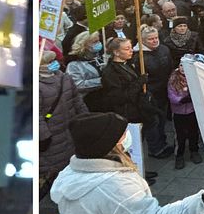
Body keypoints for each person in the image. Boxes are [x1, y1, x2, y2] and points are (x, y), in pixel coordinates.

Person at [50, 112, 204, 214]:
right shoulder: (113, 186)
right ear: (112, 144)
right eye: (121, 133)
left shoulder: (74, 171)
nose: (127, 136)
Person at [40, 50, 88, 192]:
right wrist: (44, 136)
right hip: (52, 134)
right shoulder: (37, 85)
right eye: (49, 62)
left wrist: (85, 118)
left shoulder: (64, 78)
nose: (54, 64)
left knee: (70, 162)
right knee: (55, 165)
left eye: (54, 60)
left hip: (70, 128)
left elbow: (77, 100)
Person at [137, 26, 175, 159]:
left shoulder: (164, 49)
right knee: (153, 122)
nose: (154, 41)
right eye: (150, 39)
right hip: (150, 94)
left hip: (164, 91)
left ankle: (162, 143)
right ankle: (155, 148)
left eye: (156, 38)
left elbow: (170, 67)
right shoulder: (139, 56)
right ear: (143, 40)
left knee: (162, 119)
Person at [96, 37, 150, 124]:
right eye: (127, 49)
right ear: (116, 52)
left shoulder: (127, 64)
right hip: (125, 114)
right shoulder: (110, 72)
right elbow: (119, 97)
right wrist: (139, 82)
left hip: (136, 110)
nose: (131, 50)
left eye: (131, 47)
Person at [167, 56, 204, 169]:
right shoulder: (173, 79)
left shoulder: (195, 78)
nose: (183, 68)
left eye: (186, 66)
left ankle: (194, 151)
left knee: (193, 132)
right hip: (178, 112)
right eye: (181, 65)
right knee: (180, 135)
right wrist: (181, 100)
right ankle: (179, 155)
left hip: (192, 111)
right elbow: (171, 95)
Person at [66, 32, 106, 111]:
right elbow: (78, 85)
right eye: (94, 42)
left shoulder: (100, 58)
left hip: (103, 100)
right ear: (84, 44)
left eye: (98, 41)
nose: (98, 44)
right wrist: (102, 81)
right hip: (86, 102)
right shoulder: (74, 64)